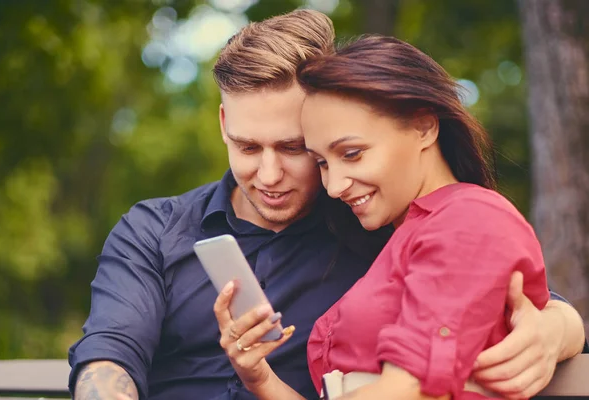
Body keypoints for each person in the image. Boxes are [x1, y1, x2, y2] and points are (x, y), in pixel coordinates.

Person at [68, 10, 586, 400]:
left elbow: (504, 287)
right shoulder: (155, 229)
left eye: (297, 150)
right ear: (223, 124)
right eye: (248, 147)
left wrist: (557, 329)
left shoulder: (376, 218)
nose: (268, 175)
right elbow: (110, 355)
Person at [212, 34, 588, 400]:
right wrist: (260, 378)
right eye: (323, 162)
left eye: (353, 153)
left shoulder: (469, 220)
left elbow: (414, 390)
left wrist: (562, 322)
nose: (334, 185)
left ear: (423, 126)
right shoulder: (405, 232)